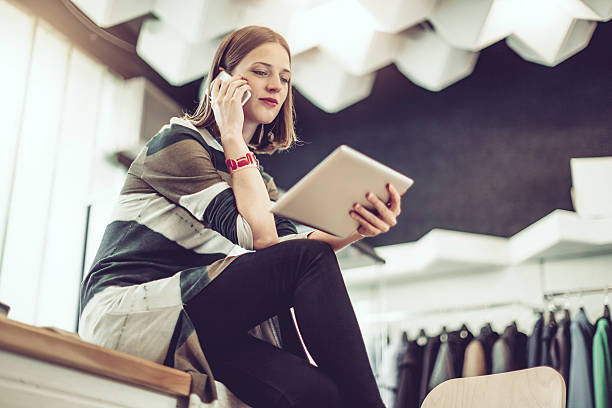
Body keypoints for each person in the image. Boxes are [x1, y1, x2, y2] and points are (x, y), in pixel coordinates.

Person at [78, 25, 405, 408]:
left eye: (285, 78)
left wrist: (354, 228)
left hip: (193, 317)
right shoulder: (178, 143)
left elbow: (288, 248)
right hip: (129, 313)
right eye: (261, 72)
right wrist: (232, 133)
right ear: (222, 82)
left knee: (318, 394)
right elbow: (261, 238)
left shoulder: (253, 177)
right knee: (307, 260)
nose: (276, 87)